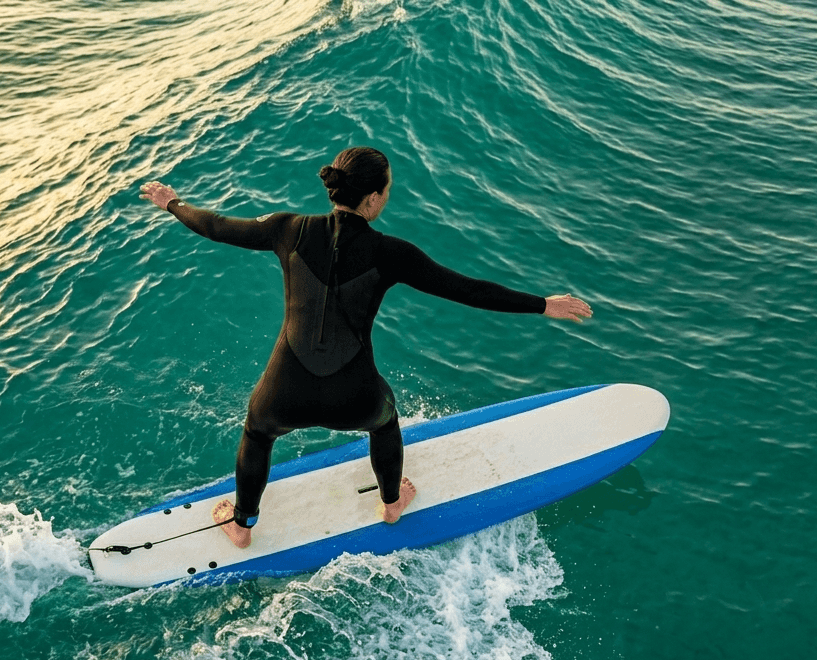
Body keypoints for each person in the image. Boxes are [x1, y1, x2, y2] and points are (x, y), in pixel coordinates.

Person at [140, 146, 591, 549]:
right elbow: (467, 289)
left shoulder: (286, 229)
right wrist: (543, 305)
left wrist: (171, 202)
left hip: (285, 391)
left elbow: (217, 226)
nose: (388, 196)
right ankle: (391, 504)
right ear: (372, 199)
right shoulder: (392, 252)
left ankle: (242, 526)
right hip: (353, 395)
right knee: (385, 420)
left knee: (257, 432)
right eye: (388, 189)